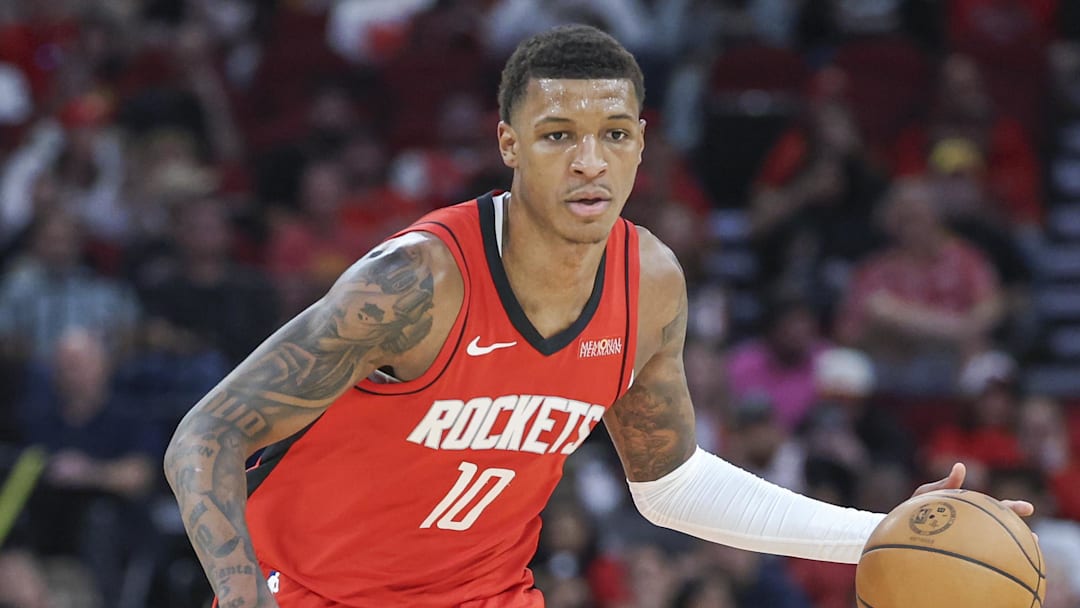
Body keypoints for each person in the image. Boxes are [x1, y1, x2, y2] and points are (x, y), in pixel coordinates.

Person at [164, 25, 1033, 608]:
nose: (590, 161)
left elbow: (671, 486)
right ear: (509, 146)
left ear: (643, 143)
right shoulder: (417, 281)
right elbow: (205, 438)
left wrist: (873, 533)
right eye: (556, 135)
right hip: (312, 593)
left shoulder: (648, 280)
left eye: (614, 134)